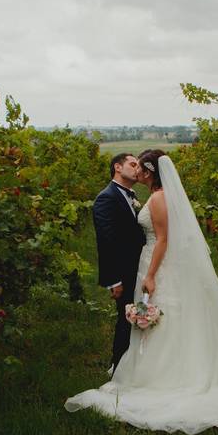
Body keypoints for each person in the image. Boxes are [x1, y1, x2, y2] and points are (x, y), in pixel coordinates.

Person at [66, 150, 218, 435]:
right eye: (133, 166)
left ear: (151, 171)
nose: (138, 171)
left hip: (156, 265)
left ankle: (164, 377)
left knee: (166, 318)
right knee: (165, 318)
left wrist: (151, 275)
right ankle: (146, 369)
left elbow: (163, 238)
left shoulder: (158, 198)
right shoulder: (152, 196)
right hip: (151, 262)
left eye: (141, 167)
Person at [92, 153, 146, 374]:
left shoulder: (130, 195)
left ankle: (137, 362)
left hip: (140, 267)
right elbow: (106, 242)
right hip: (123, 272)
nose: (137, 168)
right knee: (126, 317)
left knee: (139, 313)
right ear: (117, 167)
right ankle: (118, 367)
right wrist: (113, 280)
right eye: (133, 164)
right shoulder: (106, 198)